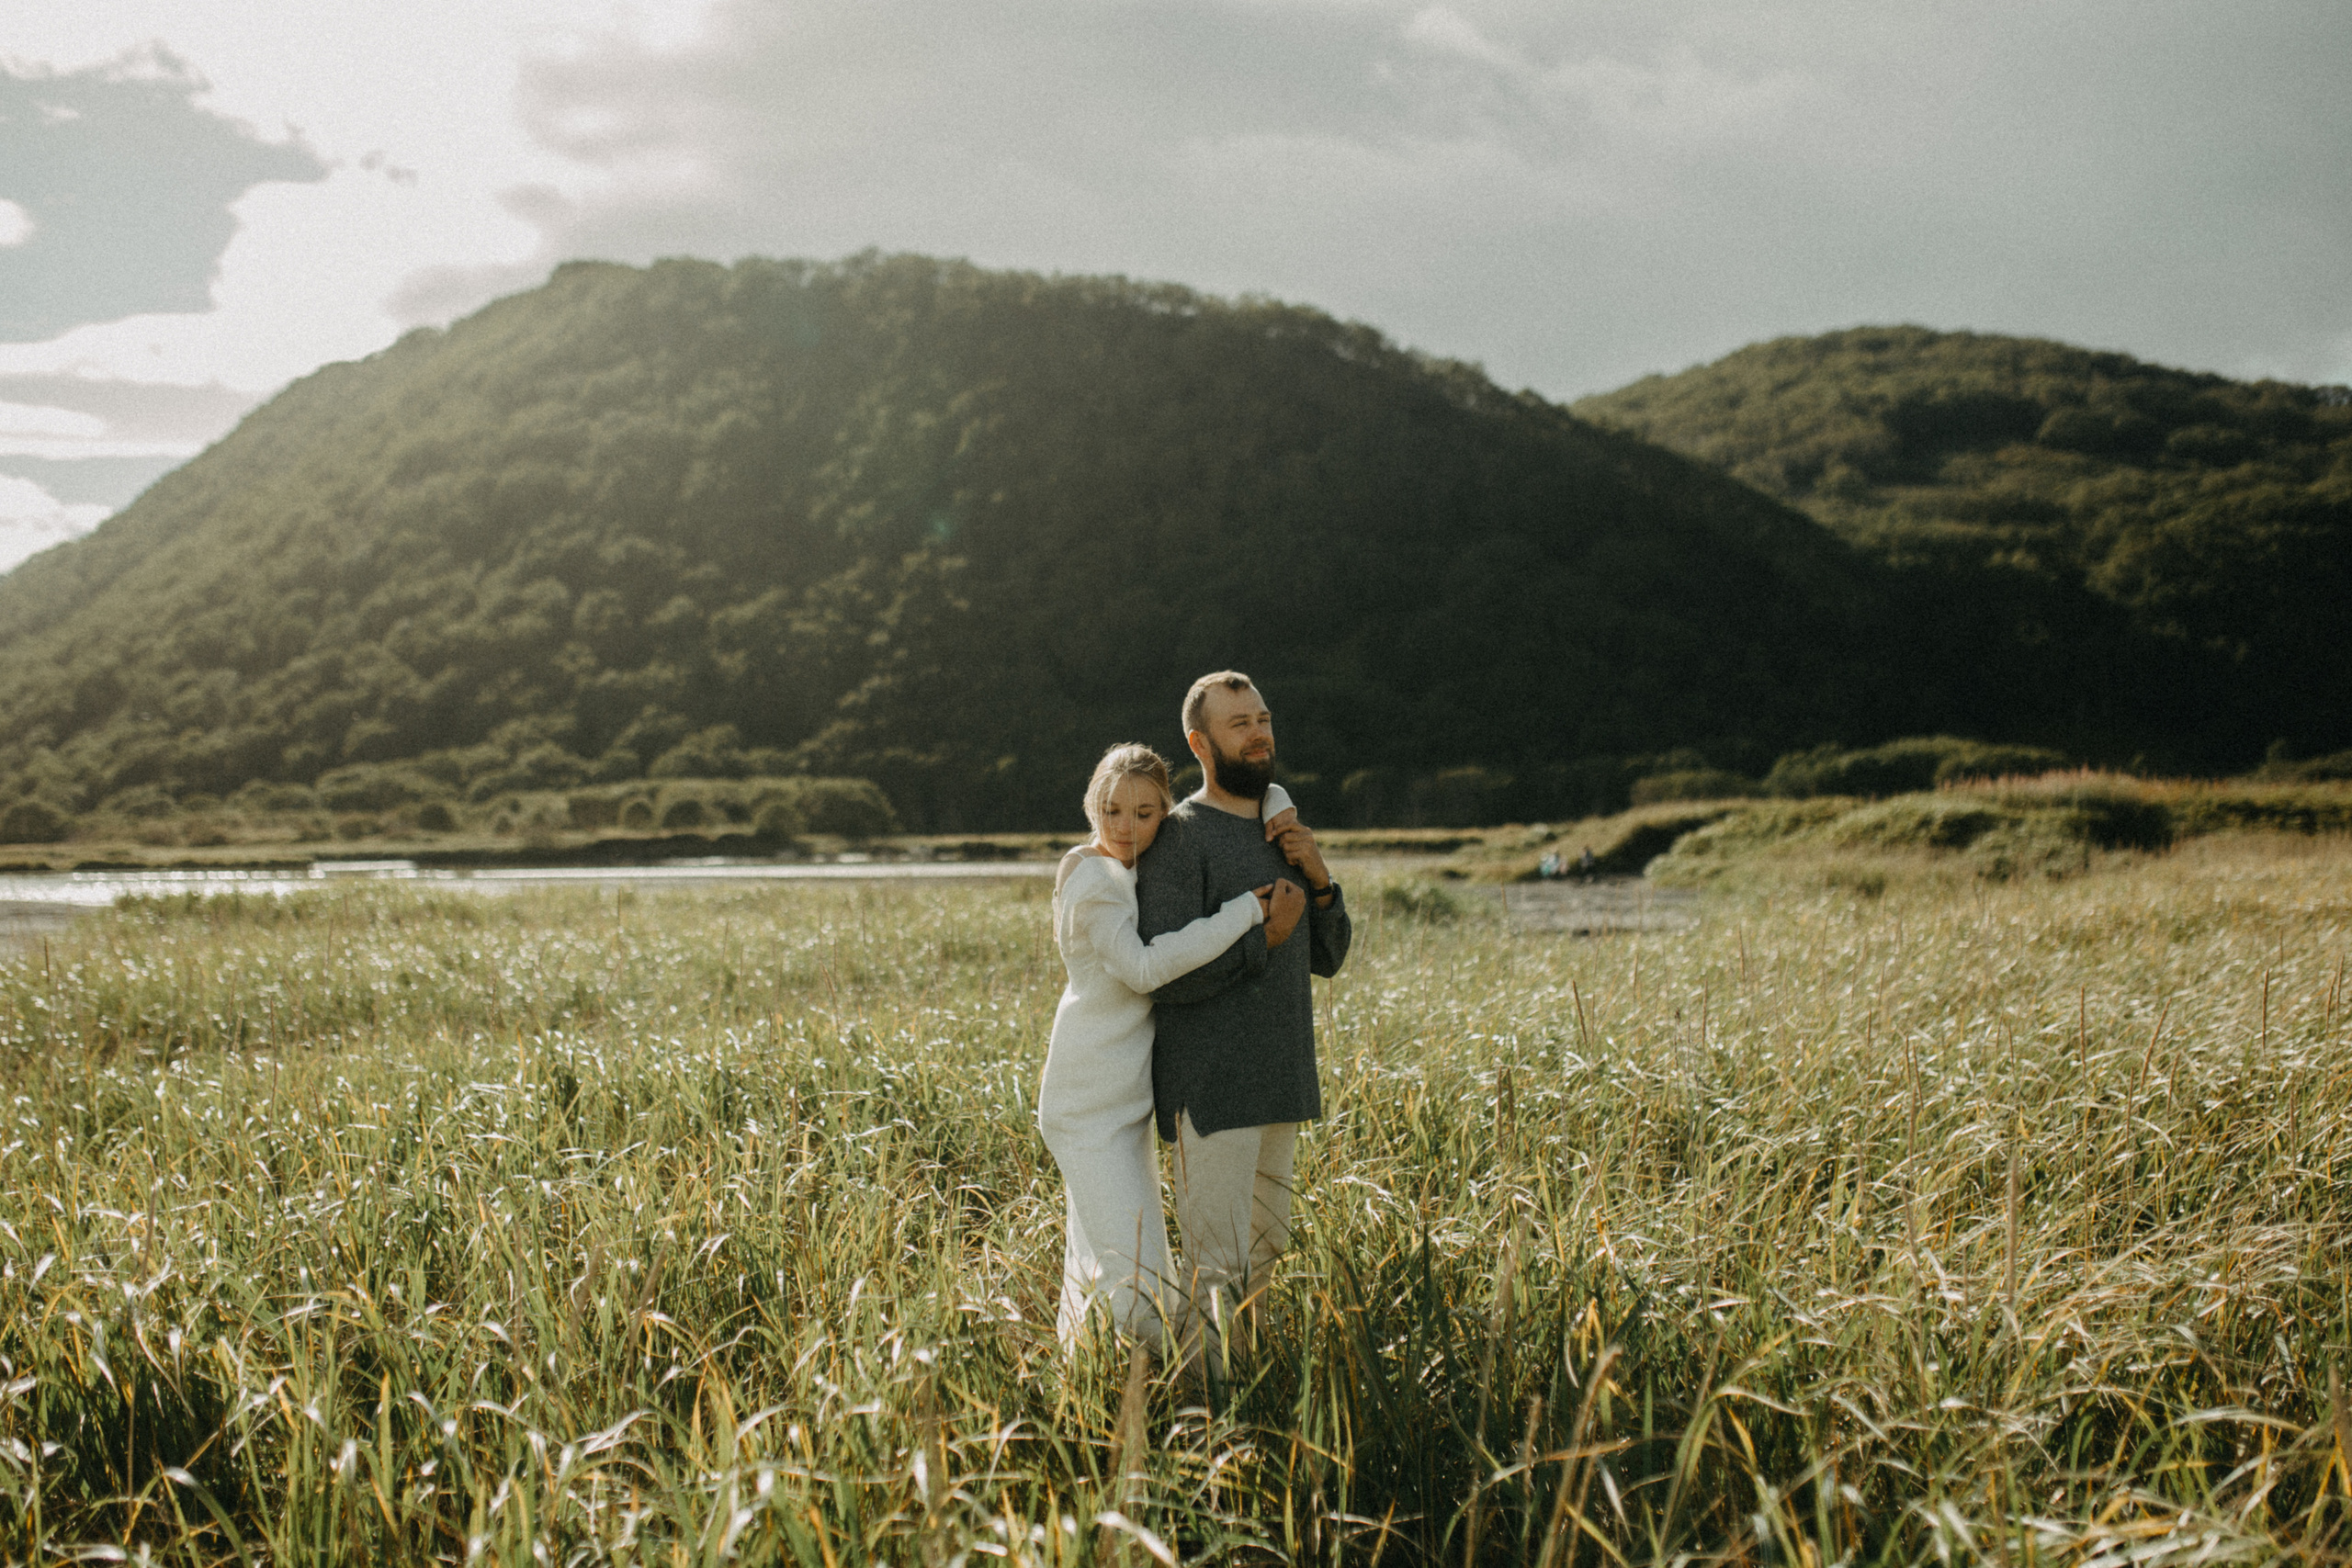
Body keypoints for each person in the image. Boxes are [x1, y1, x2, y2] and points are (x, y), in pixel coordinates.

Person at [1036, 742, 1308, 1355]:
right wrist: (1245, 913)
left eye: (1143, 813)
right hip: (1085, 1103)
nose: (1125, 827)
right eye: (1111, 810)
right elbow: (1142, 967)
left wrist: (1279, 799)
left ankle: (1081, 1380)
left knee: (1106, 1257)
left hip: (1127, 1101)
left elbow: (1225, 797)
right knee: (1141, 1280)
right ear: (1092, 806)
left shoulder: (1141, 867)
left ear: (1165, 814)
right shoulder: (1092, 878)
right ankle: (1146, 1392)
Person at [1136, 672, 1351, 1359]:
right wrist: (1267, 940)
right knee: (1217, 1271)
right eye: (1239, 723)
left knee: (1266, 1258)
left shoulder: (1281, 828)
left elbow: (1332, 956)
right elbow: (1165, 976)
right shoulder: (1180, 838)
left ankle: (1253, 1405)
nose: (1259, 733)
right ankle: (1203, 1422)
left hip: (1281, 1081)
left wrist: (1320, 880)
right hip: (1213, 1090)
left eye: (1263, 718)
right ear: (1200, 743)